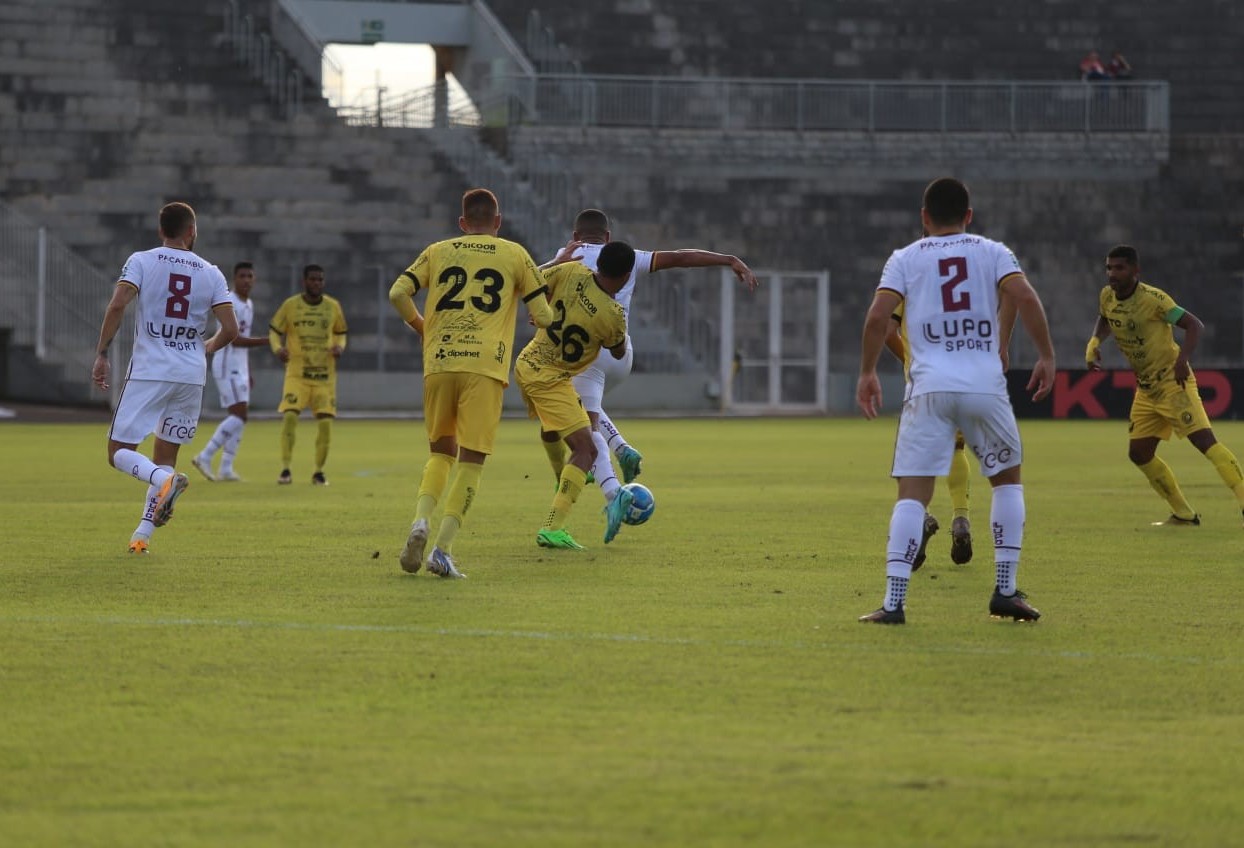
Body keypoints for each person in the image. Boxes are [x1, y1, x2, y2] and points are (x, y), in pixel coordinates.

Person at [856, 177, 1056, 625]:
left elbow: (876, 317)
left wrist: (868, 372)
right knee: (1006, 482)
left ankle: (894, 602)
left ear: (924, 218)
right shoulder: (993, 251)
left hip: (927, 387)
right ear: (969, 216)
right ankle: (1005, 589)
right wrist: (1046, 355)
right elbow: (1023, 295)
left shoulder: (904, 258)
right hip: (985, 385)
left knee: (912, 495)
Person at [542, 209, 758, 523]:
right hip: (620, 352)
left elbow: (531, 280)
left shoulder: (566, 256)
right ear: (607, 238)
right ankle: (622, 446)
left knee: (583, 426)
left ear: (575, 237)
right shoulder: (628, 257)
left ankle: (613, 492)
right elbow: (681, 257)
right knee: (583, 406)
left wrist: (558, 261)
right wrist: (728, 259)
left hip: (584, 354)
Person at [388, 187, 556, 578]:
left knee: (440, 451)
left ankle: (420, 521)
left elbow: (398, 292)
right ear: (497, 222)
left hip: (440, 360)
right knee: (472, 458)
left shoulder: (438, 250)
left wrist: (420, 326)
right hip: (485, 366)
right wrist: (534, 315)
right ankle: (442, 550)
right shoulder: (515, 253)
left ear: (462, 224)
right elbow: (545, 316)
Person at [90, 201, 238, 554]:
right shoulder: (211, 272)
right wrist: (207, 347)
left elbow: (118, 304)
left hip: (150, 369)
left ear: (161, 231)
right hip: (190, 374)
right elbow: (230, 328)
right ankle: (142, 537)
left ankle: (163, 482)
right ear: (191, 231)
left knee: (118, 452)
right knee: (165, 453)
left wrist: (102, 353)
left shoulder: (142, 260)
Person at [1086, 245, 1244, 526]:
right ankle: (1183, 514)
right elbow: (1105, 316)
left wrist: (1183, 359)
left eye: (1119, 268)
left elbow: (1194, 325)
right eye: (1109, 267)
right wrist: (1095, 341)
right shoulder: (1107, 295)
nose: (1112, 274)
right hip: (1146, 389)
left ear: (1135, 271)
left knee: (1204, 442)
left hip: (1173, 382)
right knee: (1139, 453)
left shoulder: (1155, 300)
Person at [518, 241, 633, 550]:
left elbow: (529, 282)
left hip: (527, 362)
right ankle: (553, 528)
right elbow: (619, 351)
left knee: (552, 428)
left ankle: (562, 477)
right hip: (550, 377)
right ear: (625, 276)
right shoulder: (614, 314)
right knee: (587, 450)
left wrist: (554, 267)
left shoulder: (571, 272)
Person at [885, 303, 974, 567]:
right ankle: (961, 518)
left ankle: (921, 519)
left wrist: (909, 361)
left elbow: (888, 332)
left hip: (923, 384)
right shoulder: (961, 284)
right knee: (955, 449)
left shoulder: (908, 281)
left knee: (907, 460)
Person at [268, 264, 348, 485]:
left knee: (325, 424)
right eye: (313, 279)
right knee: (290, 417)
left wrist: (340, 347)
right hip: (297, 374)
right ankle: (285, 469)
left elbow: (341, 333)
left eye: (320, 280)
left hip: (324, 376)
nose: (317, 283)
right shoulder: (291, 306)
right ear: (304, 281)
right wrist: (278, 349)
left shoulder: (333, 307)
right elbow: (275, 332)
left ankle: (319, 471)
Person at [191, 261, 268, 482]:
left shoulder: (249, 303)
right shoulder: (231, 302)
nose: (246, 280)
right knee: (239, 415)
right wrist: (267, 341)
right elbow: (233, 339)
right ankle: (204, 456)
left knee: (241, 418)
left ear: (254, 280)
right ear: (235, 279)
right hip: (226, 366)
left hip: (239, 368)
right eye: (242, 276)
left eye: (249, 276)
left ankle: (226, 467)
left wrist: (248, 371)